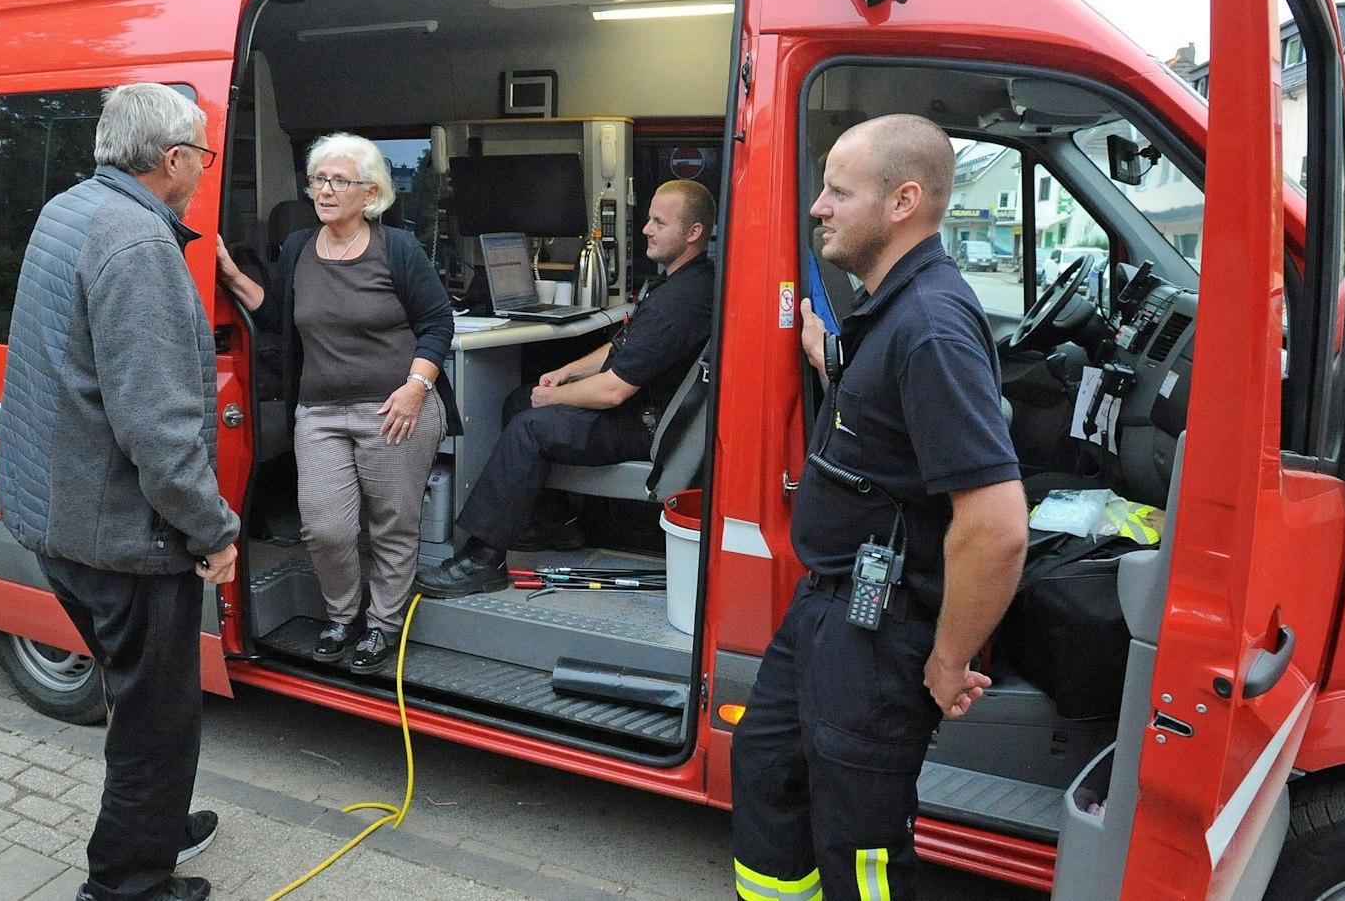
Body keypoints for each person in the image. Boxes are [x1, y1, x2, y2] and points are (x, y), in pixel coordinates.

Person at [730, 115, 1028, 901]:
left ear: (903, 201)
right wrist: (823, 350)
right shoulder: (890, 307)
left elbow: (997, 527)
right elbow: (882, 397)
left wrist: (948, 660)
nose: (818, 206)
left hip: (878, 631)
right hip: (829, 608)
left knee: (858, 843)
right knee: (766, 764)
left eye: (838, 190)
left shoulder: (931, 326)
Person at [0, 83, 237, 901]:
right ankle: (125, 883)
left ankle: (154, 824)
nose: (203, 170)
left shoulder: (70, 209)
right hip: (124, 537)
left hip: (58, 515)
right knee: (154, 717)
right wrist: (214, 530)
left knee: (138, 697)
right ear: (171, 160)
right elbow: (159, 432)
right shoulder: (137, 245)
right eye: (201, 155)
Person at [215, 133, 457, 673]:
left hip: (395, 410)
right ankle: (342, 615)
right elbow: (276, 314)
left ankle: (383, 624)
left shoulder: (398, 249)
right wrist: (230, 274)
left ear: (369, 193)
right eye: (318, 179)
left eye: (338, 181)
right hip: (320, 414)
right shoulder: (299, 247)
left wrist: (415, 388)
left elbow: (438, 323)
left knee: (392, 525)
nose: (324, 190)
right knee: (325, 529)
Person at [416, 180, 716, 598]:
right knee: (519, 401)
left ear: (693, 232)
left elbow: (613, 391)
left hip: (642, 426)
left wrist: (553, 397)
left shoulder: (679, 303)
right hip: (638, 408)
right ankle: (552, 522)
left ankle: (483, 559)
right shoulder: (681, 282)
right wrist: (566, 373)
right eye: (649, 219)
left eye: (658, 223)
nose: (646, 229)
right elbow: (622, 346)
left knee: (530, 426)